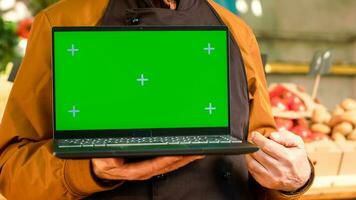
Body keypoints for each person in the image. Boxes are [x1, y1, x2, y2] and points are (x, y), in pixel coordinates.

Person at [0, 0, 314, 199]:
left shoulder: (237, 32)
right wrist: (88, 171)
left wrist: (296, 179)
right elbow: (11, 172)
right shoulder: (62, 21)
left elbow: (263, 159)